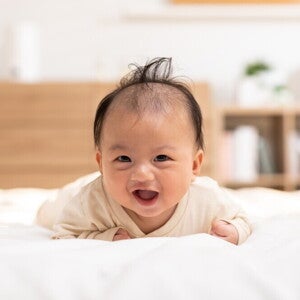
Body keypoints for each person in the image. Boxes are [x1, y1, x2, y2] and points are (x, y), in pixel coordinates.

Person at [53, 57, 251, 245]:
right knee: (49, 210)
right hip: (75, 191)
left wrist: (234, 232)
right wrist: (104, 238)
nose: (141, 173)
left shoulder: (207, 199)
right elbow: (63, 233)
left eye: (161, 158)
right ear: (101, 163)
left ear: (194, 165)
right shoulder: (92, 202)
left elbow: (243, 220)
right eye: (124, 158)